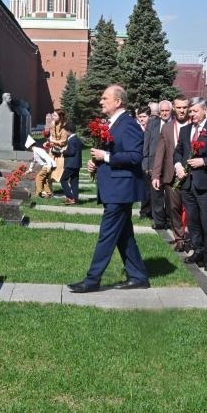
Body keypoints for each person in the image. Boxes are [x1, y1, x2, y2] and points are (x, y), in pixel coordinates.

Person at [68, 85, 149, 293]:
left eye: (105, 98)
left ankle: (92, 280)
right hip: (114, 188)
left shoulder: (128, 124)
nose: (101, 101)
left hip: (121, 190)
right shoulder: (113, 124)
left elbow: (135, 156)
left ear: (118, 101)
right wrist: (97, 163)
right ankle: (138, 276)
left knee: (107, 234)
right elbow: (114, 154)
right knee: (123, 235)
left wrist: (106, 157)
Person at [174, 97, 207, 271]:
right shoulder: (185, 130)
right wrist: (178, 165)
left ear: (204, 111)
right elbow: (178, 151)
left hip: (205, 183)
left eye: (195, 111)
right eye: (190, 111)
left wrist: (204, 161)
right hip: (187, 183)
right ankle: (198, 250)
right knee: (193, 220)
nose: (192, 114)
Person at [152, 97, 189, 250]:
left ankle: (192, 236)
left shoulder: (194, 125)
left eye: (184, 107)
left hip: (191, 174)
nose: (182, 110)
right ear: (174, 108)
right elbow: (160, 152)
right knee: (173, 208)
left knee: (191, 209)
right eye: (179, 107)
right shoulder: (167, 128)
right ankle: (179, 238)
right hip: (171, 174)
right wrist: (156, 175)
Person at [144, 101, 172, 229]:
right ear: (159, 112)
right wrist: (146, 164)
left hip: (170, 164)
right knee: (156, 194)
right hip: (154, 164)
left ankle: (170, 220)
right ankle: (159, 222)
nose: (165, 113)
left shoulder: (175, 124)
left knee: (170, 195)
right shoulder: (152, 124)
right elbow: (146, 145)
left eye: (167, 111)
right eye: (162, 111)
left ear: (171, 111)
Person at [60, 122, 82, 204]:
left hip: (70, 164)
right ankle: (75, 199)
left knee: (63, 180)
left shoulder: (71, 140)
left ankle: (70, 197)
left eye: (65, 131)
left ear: (69, 131)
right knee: (74, 182)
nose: (65, 133)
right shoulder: (77, 139)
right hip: (77, 164)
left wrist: (63, 151)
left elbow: (72, 152)